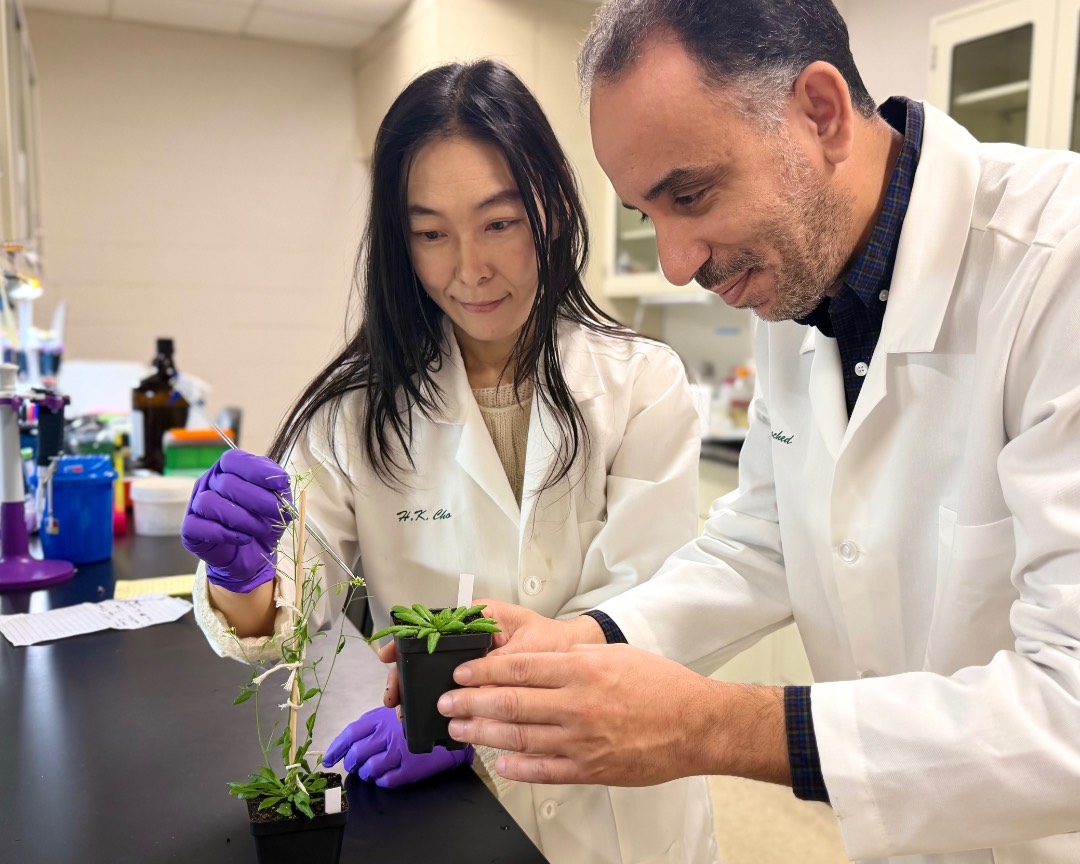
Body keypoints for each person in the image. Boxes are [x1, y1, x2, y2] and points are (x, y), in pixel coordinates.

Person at [422, 2, 1080, 864]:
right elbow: (764, 539)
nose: (676, 262)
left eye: (690, 195)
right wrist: (585, 642)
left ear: (820, 112)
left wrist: (719, 728)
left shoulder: (1055, 265)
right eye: (648, 214)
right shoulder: (799, 283)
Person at [180, 59, 720, 864]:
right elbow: (294, 607)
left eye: (498, 223)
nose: (468, 268)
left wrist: (471, 720)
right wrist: (241, 575)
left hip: (624, 813)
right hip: (449, 818)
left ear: (554, 205)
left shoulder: (642, 383)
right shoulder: (356, 412)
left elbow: (647, 613)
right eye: (431, 233)